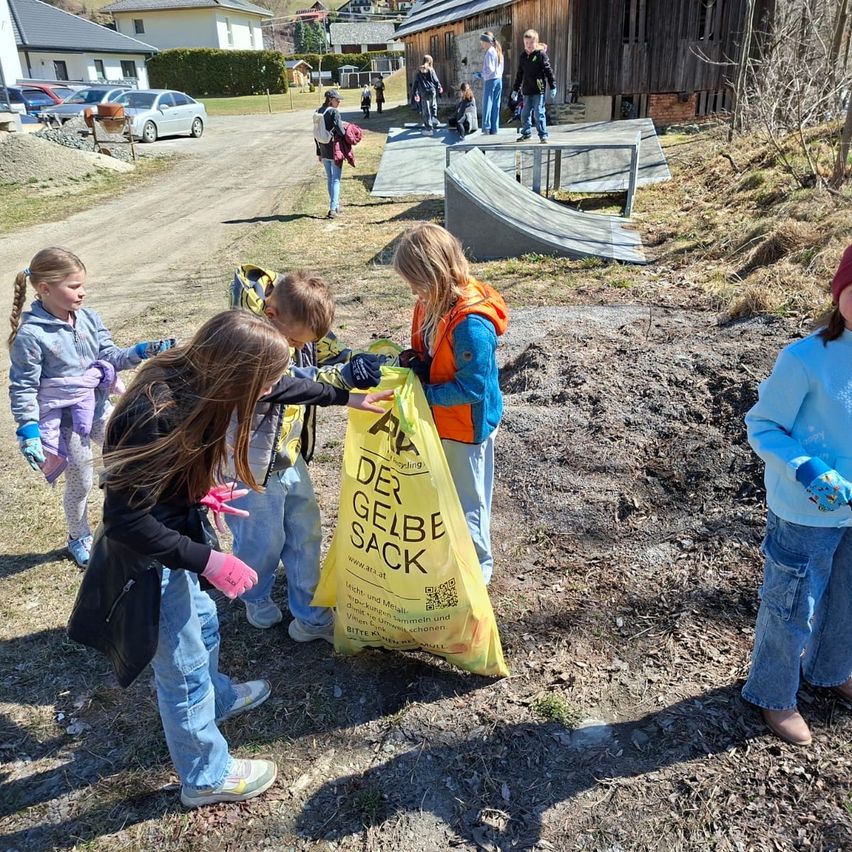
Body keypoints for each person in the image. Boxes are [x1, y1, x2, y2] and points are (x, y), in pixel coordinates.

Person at [69, 310, 391, 807]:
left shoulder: (195, 378)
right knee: (183, 668)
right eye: (264, 380)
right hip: (149, 562)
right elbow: (127, 521)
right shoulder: (160, 413)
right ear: (235, 373)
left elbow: (285, 390)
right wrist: (210, 561)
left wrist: (195, 495)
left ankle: (216, 698)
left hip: (175, 535)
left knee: (207, 624)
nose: (271, 389)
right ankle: (205, 775)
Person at [227, 268, 384, 639]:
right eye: (296, 343)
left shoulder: (296, 322)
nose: (300, 349)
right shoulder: (246, 339)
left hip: (289, 454)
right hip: (249, 464)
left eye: (305, 344)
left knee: (305, 533)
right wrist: (344, 382)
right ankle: (255, 594)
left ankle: (311, 616)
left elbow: (328, 353)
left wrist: (357, 361)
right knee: (259, 542)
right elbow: (290, 382)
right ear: (271, 316)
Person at [742, 244, 852, 746]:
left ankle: (832, 671)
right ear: (839, 293)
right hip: (805, 512)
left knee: (846, 599)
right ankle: (773, 693)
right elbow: (762, 424)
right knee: (792, 606)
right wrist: (807, 468)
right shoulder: (806, 358)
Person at [8, 247, 173, 567]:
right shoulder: (31, 335)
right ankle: (78, 535)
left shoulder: (89, 318)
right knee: (81, 479)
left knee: (137, 449)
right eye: (73, 286)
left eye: (83, 285)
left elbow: (110, 357)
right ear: (45, 289)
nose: (82, 292)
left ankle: (147, 515)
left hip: (98, 408)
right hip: (66, 422)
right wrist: (28, 428)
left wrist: (141, 351)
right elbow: (23, 386)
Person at [394, 224, 508, 585]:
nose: (413, 291)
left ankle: (477, 573)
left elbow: (472, 387)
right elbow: (431, 350)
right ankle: (452, 558)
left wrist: (423, 395)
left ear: (437, 273)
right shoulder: (431, 302)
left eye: (416, 281)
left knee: (469, 501)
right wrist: (415, 362)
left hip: (466, 427)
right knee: (447, 496)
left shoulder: (472, 325)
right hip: (443, 421)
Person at [511, 29, 556, 143]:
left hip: (538, 89)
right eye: (526, 43)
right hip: (526, 90)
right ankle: (526, 133)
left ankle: (543, 135)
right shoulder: (523, 56)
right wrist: (515, 89)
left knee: (538, 113)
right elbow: (519, 74)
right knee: (524, 113)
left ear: (536, 43)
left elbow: (548, 71)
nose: (529, 46)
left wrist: (553, 86)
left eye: (531, 43)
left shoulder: (541, 55)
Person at [313, 89, 346, 219]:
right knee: (336, 179)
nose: (339, 102)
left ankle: (335, 205)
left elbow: (315, 134)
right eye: (337, 100)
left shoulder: (318, 112)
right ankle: (333, 209)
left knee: (330, 178)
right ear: (330, 99)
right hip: (334, 149)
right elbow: (341, 132)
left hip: (323, 149)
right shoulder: (334, 112)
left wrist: (319, 152)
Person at [475, 31, 504, 135]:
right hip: (499, 80)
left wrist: (481, 74)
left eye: (482, 42)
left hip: (490, 80)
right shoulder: (498, 51)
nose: (481, 44)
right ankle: (494, 128)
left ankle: (486, 128)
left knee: (487, 104)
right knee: (496, 105)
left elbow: (490, 69)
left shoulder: (489, 52)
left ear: (487, 41)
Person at [412, 54, 443, 135]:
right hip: (432, 91)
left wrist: (415, 94)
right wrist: (439, 87)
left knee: (426, 110)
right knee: (433, 104)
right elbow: (435, 80)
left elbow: (415, 83)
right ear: (430, 62)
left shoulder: (419, 71)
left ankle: (429, 129)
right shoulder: (431, 69)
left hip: (424, 92)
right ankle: (434, 118)